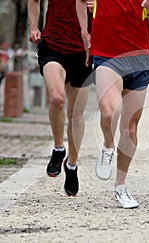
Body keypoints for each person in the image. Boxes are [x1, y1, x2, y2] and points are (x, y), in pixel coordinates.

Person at [76, 0, 149, 208]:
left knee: (130, 127)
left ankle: (120, 186)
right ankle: (108, 145)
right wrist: (85, 32)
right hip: (107, 55)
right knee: (109, 111)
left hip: (139, 59)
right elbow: (80, 2)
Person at [28, 0, 92, 196]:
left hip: (84, 50)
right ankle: (58, 148)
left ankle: (71, 165)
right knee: (57, 98)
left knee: (76, 115)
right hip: (53, 45)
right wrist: (33, 27)